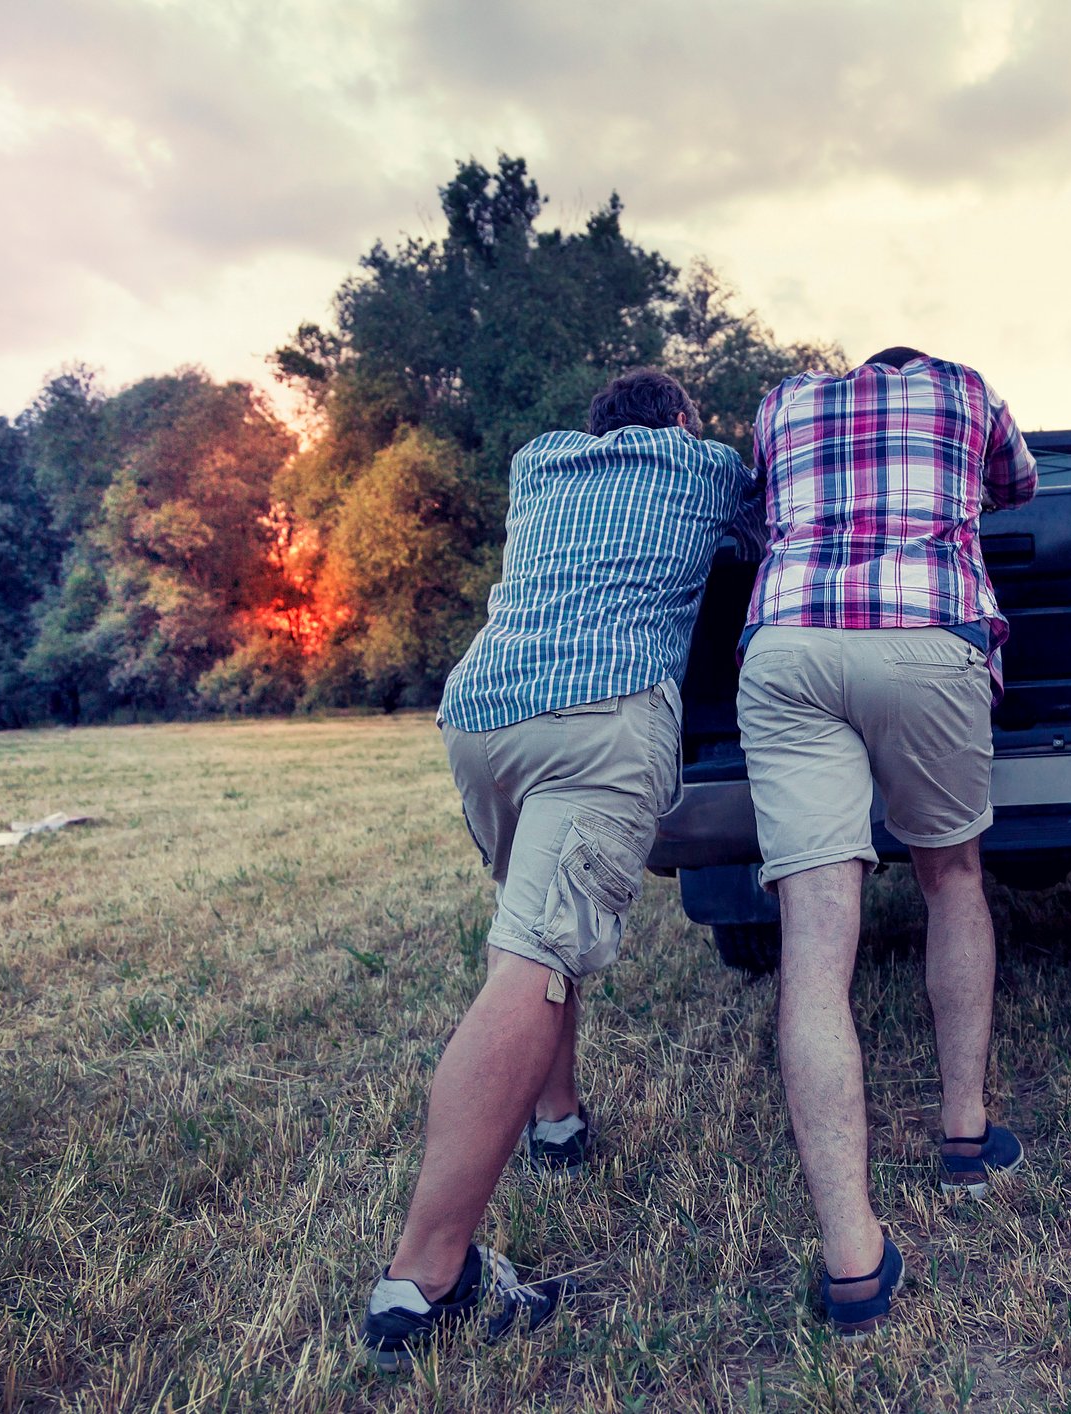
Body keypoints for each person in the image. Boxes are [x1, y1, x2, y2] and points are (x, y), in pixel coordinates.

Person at [360, 369, 761, 1368]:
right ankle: (424, 1279)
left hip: (484, 715)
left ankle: (559, 1120)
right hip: (602, 714)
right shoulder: (704, 466)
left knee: (532, 923)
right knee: (534, 959)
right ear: (678, 422)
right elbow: (761, 549)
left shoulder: (538, 463)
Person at [738, 346, 1037, 1334]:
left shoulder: (782, 402)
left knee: (815, 949)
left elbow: (757, 504)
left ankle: (853, 1261)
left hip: (787, 643)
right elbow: (1019, 485)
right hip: (925, 632)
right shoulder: (966, 390)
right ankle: (963, 1134)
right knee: (951, 876)